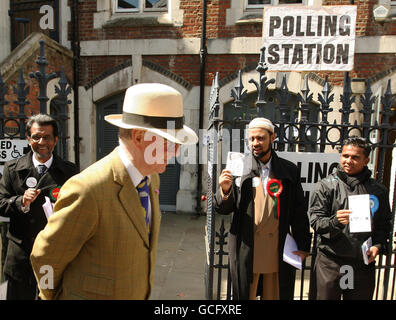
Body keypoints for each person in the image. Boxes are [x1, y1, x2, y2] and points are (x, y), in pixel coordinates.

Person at [30, 83, 198, 300]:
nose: (176, 152)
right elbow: (45, 257)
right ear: (138, 137)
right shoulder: (88, 189)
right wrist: (52, 296)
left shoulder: (151, 177)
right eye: (168, 143)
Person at [215, 117, 311, 300]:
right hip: (247, 246)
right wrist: (225, 190)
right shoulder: (238, 168)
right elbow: (223, 208)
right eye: (251, 139)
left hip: (276, 247)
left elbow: (298, 211)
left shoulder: (289, 170)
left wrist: (303, 243)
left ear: (273, 137)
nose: (255, 143)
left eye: (260, 138)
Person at [0, 114, 78, 300]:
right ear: (28, 139)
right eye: (36, 137)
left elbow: (78, 209)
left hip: (51, 256)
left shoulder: (69, 171)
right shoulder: (12, 169)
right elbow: (1, 203)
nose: (41, 142)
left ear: (56, 140)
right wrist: (21, 202)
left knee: (47, 296)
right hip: (20, 256)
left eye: (47, 137)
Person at [309, 136, 392, 300]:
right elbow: (316, 222)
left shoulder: (378, 190)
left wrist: (377, 246)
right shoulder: (325, 186)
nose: (348, 161)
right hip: (330, 263)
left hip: (362, 266)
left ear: (366, 160)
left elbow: (384, 225)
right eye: (345, 156)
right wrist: (335, 221)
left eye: (355, 157)